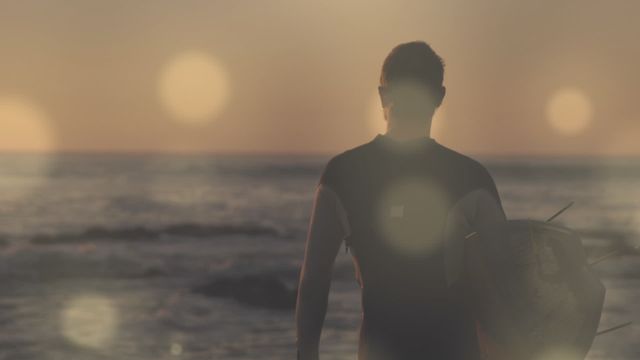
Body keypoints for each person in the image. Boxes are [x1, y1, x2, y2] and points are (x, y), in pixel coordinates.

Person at [295, 41, 507, 360]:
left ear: (382, 94)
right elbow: (508, 281)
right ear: (439, 97)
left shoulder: (341, 175)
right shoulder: (472, 178)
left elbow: (314, 281)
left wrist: (306, 354)